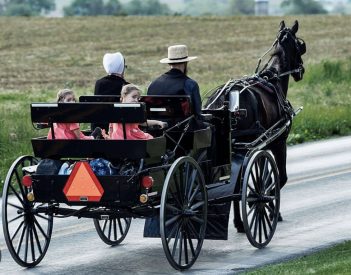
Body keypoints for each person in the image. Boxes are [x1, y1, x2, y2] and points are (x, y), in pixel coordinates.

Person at [147, 44, 202, 119]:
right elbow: (197, 112)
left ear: (169, 63)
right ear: (186, 63)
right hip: (184, 128)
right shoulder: (190, 84)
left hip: (155, 127)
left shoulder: (153, 84)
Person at [102, 84, 167, 140]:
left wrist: (158, 122)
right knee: (150, 139)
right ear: (124, 96)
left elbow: (142, 122)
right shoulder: (129, 110)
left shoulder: (114, 108)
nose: (136, 100)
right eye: (133, 97)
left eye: (138, 98)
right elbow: (142, 122)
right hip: (130, 138)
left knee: (150, 138)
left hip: (119, 138)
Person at [94, 52, 129, 131]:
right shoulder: (126, 86)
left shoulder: (99, 83)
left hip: (99, 128)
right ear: (121, 68)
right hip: (119, 130)